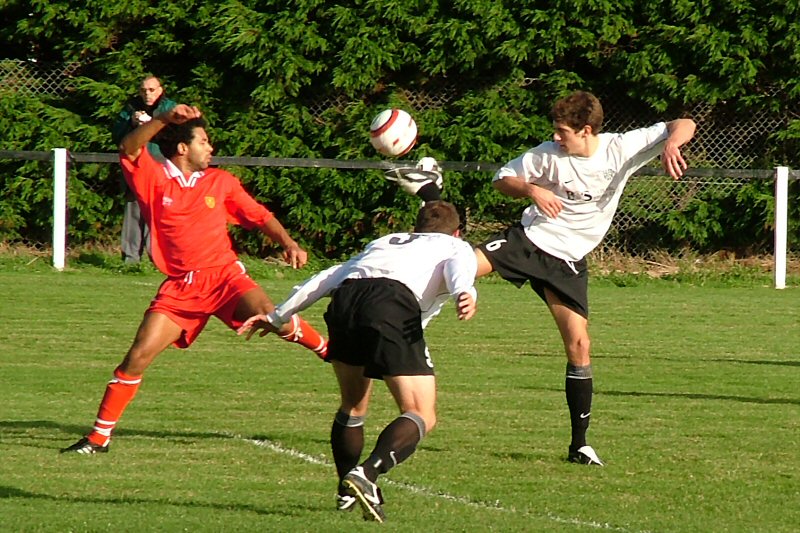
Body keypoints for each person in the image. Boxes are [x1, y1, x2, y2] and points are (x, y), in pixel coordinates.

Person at [387, 91, 697, 466]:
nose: (555, 137)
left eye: (562, 131)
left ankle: (579, 445)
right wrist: (532, 188)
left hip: (568, 261)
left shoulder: (621, 148)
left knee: (580, 346)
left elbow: (683, 124)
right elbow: (502, 179)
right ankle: (393, 315)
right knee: (453, 267)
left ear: (586, 130)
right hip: (530, 242)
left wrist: (671, 145)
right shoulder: (546, 155)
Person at [61, 104, 329, 455]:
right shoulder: (154, 178)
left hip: (224, 278)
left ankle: (329, 350)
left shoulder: (221, 182)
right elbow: (128, 148)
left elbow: (260, 216)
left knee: (273, 316)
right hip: (181, 288)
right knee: (137, 356)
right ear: (183, 148)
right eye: (204, 141)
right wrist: (162, 119)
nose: (211, 148)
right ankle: (98, 439)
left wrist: (289, 243)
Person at [237, 201, 478, 522]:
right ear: (457, 231)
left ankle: (345, 491)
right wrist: (466, 291)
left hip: (346, 302)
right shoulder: (455, 245)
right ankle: (367, 473)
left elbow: (330, 276)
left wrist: (278, 315)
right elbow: (458, 269)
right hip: (391, 305)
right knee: (421, 413)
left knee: (353, 405)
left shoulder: (385, 242)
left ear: (416, 227)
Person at [111, 75, 176, 263]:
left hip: (161, 165)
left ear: (160, 90)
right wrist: (132, 122)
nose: (147, 94)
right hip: (136, 164)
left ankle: (158, 258)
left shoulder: (169, 108)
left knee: (159, 210)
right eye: (143, 90)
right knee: (133, 208)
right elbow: (117, 136)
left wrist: (152, 124)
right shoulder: (130, 108)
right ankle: (130, 259)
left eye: (152, 90)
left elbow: (176, 135)